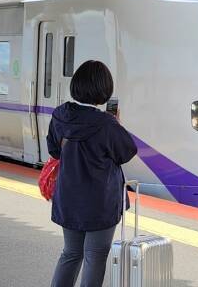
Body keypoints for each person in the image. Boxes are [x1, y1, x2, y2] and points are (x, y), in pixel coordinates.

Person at [48, 60, 137, 287]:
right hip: (100, 202)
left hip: (69, 199)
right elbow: (127, 152)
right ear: (103, 91)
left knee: (71, 253)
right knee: (95, 257)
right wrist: (117, 123)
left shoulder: (60, 115)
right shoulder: (106, 123)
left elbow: (54, 150)